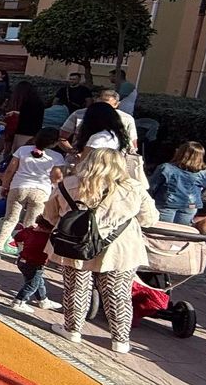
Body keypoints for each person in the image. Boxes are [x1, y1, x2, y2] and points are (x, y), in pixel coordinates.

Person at [42, 147, 159, 353]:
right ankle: (120, 340)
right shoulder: (133, 188)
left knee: (75, 287)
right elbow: (149, 219)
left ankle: (72, 329)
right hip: (119, 247)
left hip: (75, 243)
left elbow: (51, 215)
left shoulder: (69, 184)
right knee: (118, 292)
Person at [0, 128, 65, 254]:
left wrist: (5, 186)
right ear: (55, 143)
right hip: (41, 191)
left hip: (18, 187)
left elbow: (10, 170)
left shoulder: (22, 150)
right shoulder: (57, 157)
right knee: (31, 223)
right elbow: (56, 177)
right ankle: (23, 253)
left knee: (10, 219)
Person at [148, 141, 206, 225]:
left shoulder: (166, 168)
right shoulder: (203, 172)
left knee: (163, 230)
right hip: (191, 205)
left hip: (167, 203)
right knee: (182, 231)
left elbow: (152, 186)